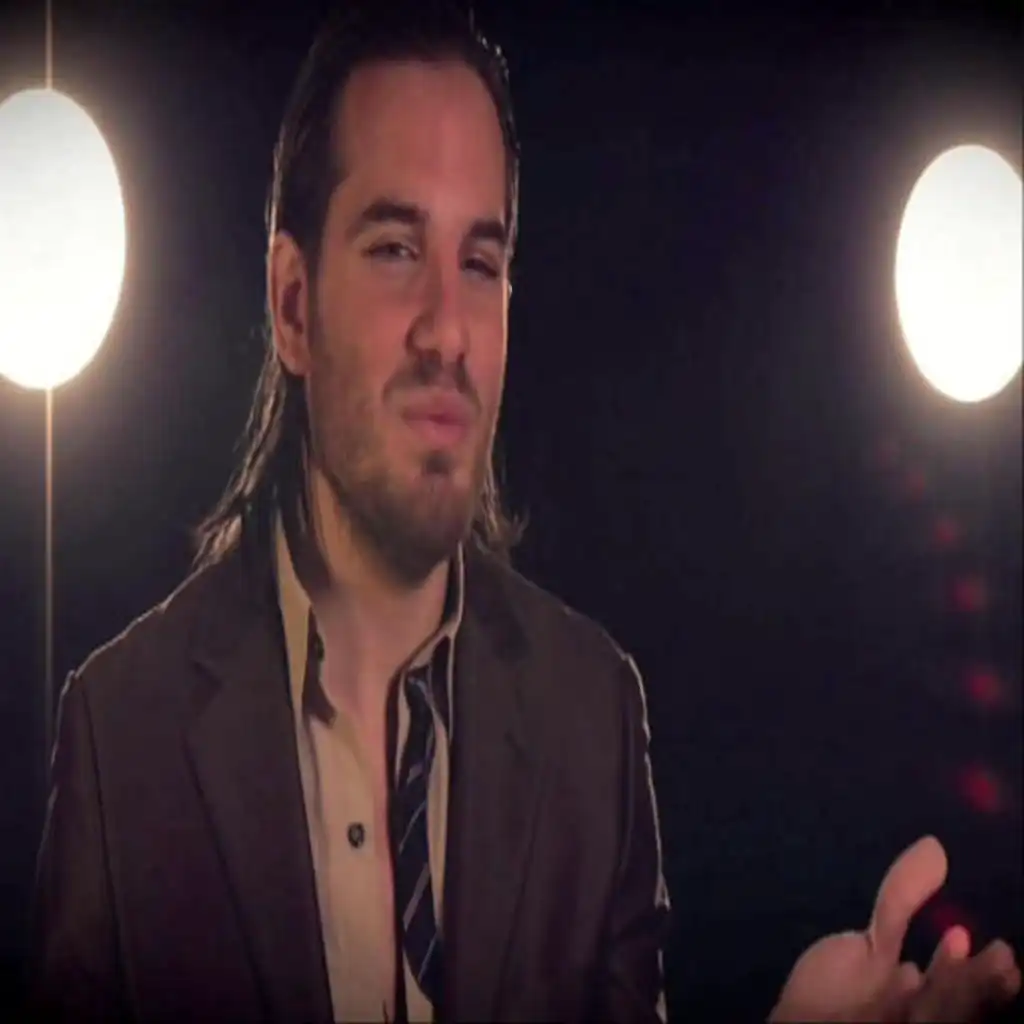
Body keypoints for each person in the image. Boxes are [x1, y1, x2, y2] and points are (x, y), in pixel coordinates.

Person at [30, 3, 1020, 1022]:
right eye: (394, 249)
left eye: (479, 263)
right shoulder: (122, 736)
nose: (448, 332)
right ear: (292, 306)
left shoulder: (593, 718)